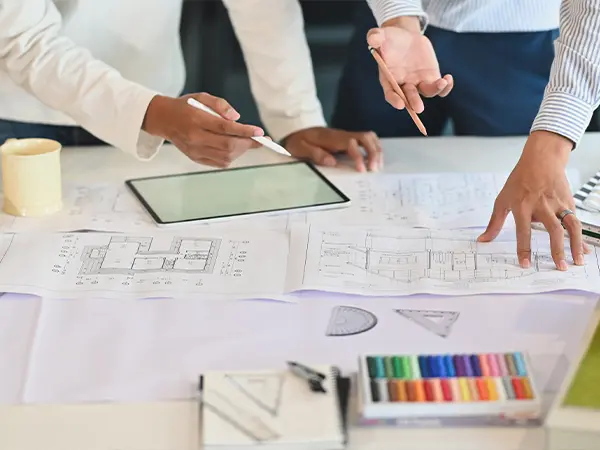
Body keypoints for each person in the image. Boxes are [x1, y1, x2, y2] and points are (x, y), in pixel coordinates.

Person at [357, 0, 600, 271]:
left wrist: (552, 144)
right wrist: (398, 17)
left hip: (525, 40)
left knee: (514, 174)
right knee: (360, 165)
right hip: (392, 31)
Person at [0, 0, 381, 172]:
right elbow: (25, 41)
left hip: (151, 113)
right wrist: (152, 113)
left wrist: (295, 119)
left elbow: (261, 6)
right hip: (21, 111)